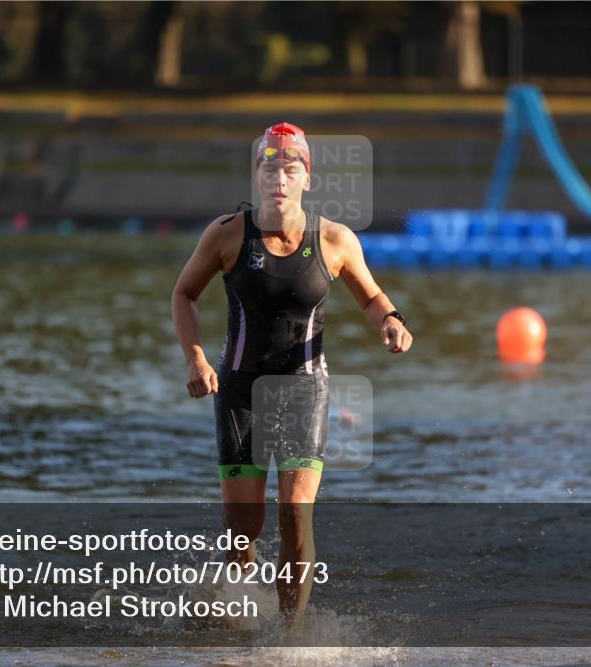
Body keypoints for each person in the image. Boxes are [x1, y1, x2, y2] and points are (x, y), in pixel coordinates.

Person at [171, 122, 413, 621]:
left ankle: (290, 636)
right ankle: (232, 619)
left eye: (290, 167)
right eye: (268, 165)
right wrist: (194, 357)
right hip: (239, 391)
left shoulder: (335, 239)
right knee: (245, 529)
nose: (278, 176)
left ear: (307, 178)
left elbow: (370, 296)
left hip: (305, 390)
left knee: (295, 516)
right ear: (257, 175)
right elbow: (183, 294)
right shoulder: (227, 234)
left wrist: (390, 320)